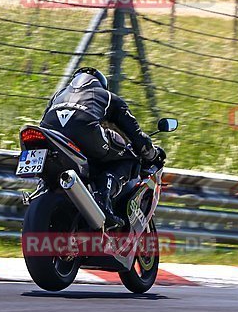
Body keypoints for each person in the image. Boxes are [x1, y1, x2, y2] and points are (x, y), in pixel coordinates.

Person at [40, 67, 158, 229]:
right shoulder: (108, 97)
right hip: (85, 130)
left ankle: (41, 188)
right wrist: (151, 154)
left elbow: (43, 121)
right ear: (101, 84)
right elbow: (136, 135)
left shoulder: (58, 95)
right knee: (129, 157)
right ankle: (103, 197)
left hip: (49, 134)